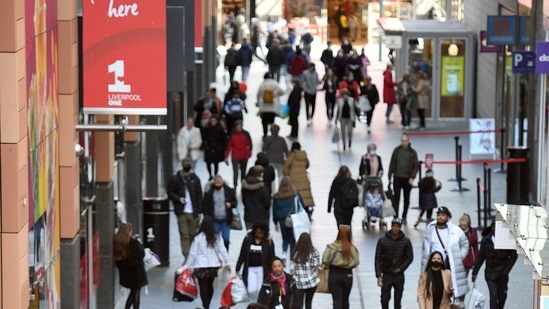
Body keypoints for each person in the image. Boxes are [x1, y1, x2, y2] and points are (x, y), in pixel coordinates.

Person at [421, 207, 470, 301]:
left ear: (448, 217)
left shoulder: (455, 230)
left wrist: (459, 257)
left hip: (450, 265)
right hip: (434, 265)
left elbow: (465, 244)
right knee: (436, 292)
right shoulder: (430, 229)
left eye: (443, 215)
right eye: (438, 215)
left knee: (450, 291)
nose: (440, 217)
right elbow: (425, 248)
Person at [186, 216, 231, 309]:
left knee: (203, 286)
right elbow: (223, 250)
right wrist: (228, 263)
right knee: (210, 285)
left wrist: (187, 266)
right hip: (213, 265)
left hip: (200, 265)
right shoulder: (217, 237)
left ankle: (205, 305)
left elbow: (192, 253)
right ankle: (208, 304)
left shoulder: (198, 238)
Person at [472, 222, 517, 309]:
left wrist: (506, 270)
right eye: (495, 227)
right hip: (490, 273)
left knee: (502, 297)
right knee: (493, 296)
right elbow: (481, 257)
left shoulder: (507, 240)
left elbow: (514, 256)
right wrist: (475, 272)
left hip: (502, 274)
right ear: (492, 228)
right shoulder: (486, 240)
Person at [166, 158, 203, 259]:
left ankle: (192, 254)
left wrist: (200, 211)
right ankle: (186, 255)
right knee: (184, 234)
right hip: (181, 211)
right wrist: (179, 199)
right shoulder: (175, 179)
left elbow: (199, 195)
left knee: (193, 234)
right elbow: (170, 192)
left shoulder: (195, 179)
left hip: (193, 212)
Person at [375, 218, 414, 309]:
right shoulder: (382, 240)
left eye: (398, 226)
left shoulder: (405, 241)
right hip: (387, 273)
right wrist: (378, 275)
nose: (395, 228)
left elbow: (410, 257)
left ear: (400, 228)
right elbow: (377, 258)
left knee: (398, 300)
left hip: (399, 275)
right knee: (384, 299)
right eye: (394, 226)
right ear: (391, 226)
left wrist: (401, 268)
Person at [236, 221, 276, 301]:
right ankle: (253, 302)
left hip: (262, 268)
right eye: (258, 233)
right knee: (251, 289)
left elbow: (272, 256)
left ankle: (258, 303)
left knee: (260, 288)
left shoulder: (268, 241)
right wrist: (238, 267)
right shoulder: (248, 239)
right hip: (250, 268)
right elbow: (242, 253)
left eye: (262, 233)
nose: (260, 235)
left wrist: (273, 269)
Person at [322, 225, 360, 309]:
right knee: (345, 300)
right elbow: (356, 262)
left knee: (336, 300)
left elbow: (325, 260)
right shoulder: (352, 249)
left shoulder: (332, 247)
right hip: (347, 275)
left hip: (334, 274)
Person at [113, 222, 148, 309]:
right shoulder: (134, 243)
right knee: (136, 293)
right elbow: (141, 254)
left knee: (133, 292)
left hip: (126, 272)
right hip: (137, 273)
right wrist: (139, 243)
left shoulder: (117, 242)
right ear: (128, 231)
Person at [388, 133, 419, 223]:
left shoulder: (412, 152)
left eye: (406, 141)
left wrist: (412, 177)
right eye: (403, 141)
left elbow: (416, 166)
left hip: (407, 178)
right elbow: (392, 163)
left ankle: (404, 215)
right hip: (397, 177)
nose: (404, 143)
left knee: (406, 198)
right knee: (396, 198)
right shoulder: (397, 151)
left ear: (408, 141)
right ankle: (396, 215)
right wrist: (389, 176)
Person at [273, 176, 304, 262]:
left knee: (285, 238)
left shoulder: (277, 196)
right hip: (293, 219)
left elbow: (274, 210)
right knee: (292, 239)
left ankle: (283, 254)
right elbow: (302, 207)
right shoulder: (295, 195)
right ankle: (292, 256)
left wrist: (275, 222)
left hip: (282, 220)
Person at [202, 175, 237, 251]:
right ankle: (216, 254)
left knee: (226, 239)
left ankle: (225, 254)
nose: (218, 184)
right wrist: (207, 218)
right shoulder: (209, 192)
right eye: (216, 182)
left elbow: (235, 202)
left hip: (225, 220)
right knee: (215, 239)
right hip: (214, 220)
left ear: (222, 182)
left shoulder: (229, 191)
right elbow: (205, 206)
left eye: (219, 182)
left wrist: (231, 204)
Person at [284, 142, 315, 218]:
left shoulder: (291, 156)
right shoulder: (303, 155)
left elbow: (286, 167)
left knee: (296, 195)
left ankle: (297, 211)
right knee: (305, 194)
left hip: (293, 178)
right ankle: (307, 210)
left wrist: (287, 174)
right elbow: (307, 164)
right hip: (303, 177)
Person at [291, 233, 320, 309]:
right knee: (308, 303)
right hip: (311, 282)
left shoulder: (295, 253)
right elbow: (316, 266)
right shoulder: (314, 253)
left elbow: (292, 267)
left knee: (299, 303)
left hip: (299, 282)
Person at [242, 165, 271, 230]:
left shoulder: (245, 187)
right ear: (261, 174)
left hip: (248, 216)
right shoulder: (263, 188)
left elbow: (244, 200)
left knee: (250, 237)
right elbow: (267, 203)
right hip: (261, 217)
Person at [224, 120, 252, 188]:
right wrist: (226, 156)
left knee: (243, 172)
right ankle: (235, 186)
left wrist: (248, 154)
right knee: (235, 173)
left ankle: (243, 186)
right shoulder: (232, 134)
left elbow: (250, 144)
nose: (239, 128)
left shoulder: (246, 134)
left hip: (244, 156)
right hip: (235, 156)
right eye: (238, 126)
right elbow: (228, 146)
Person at [256, 73, 285, 137]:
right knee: (272, 121)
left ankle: (265, 134)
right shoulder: (275, 84)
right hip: (273, 107)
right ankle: (273, 133)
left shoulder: (262, 85)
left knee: (264, 122)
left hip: (264, 107)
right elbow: (282, 92)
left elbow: (258, 95)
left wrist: (258, 104)